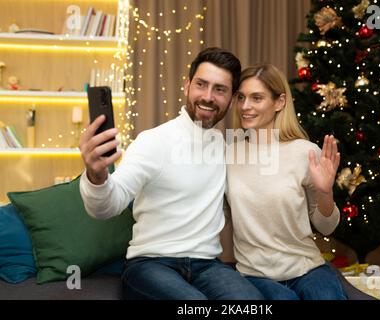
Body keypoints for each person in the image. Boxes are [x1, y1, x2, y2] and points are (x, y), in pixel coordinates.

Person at [79, 47, 264, 300]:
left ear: (231, 100)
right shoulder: (153, 141)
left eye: (220, 89)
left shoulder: (226, 148)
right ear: (187, 86)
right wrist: (96, 175)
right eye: (201, 84)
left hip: (208, 264)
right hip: (151, 263)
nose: (208, 97)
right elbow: (106, 207)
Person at [225, 63, 347, 300]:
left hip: (307, 268)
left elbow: (327, 227)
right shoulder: (228, 155)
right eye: (241, 97)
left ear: (279, 102)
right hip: (254, 274)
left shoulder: (305, 152)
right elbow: (218, 216)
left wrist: (325, 192)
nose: (245, 106)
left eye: (256, 98)